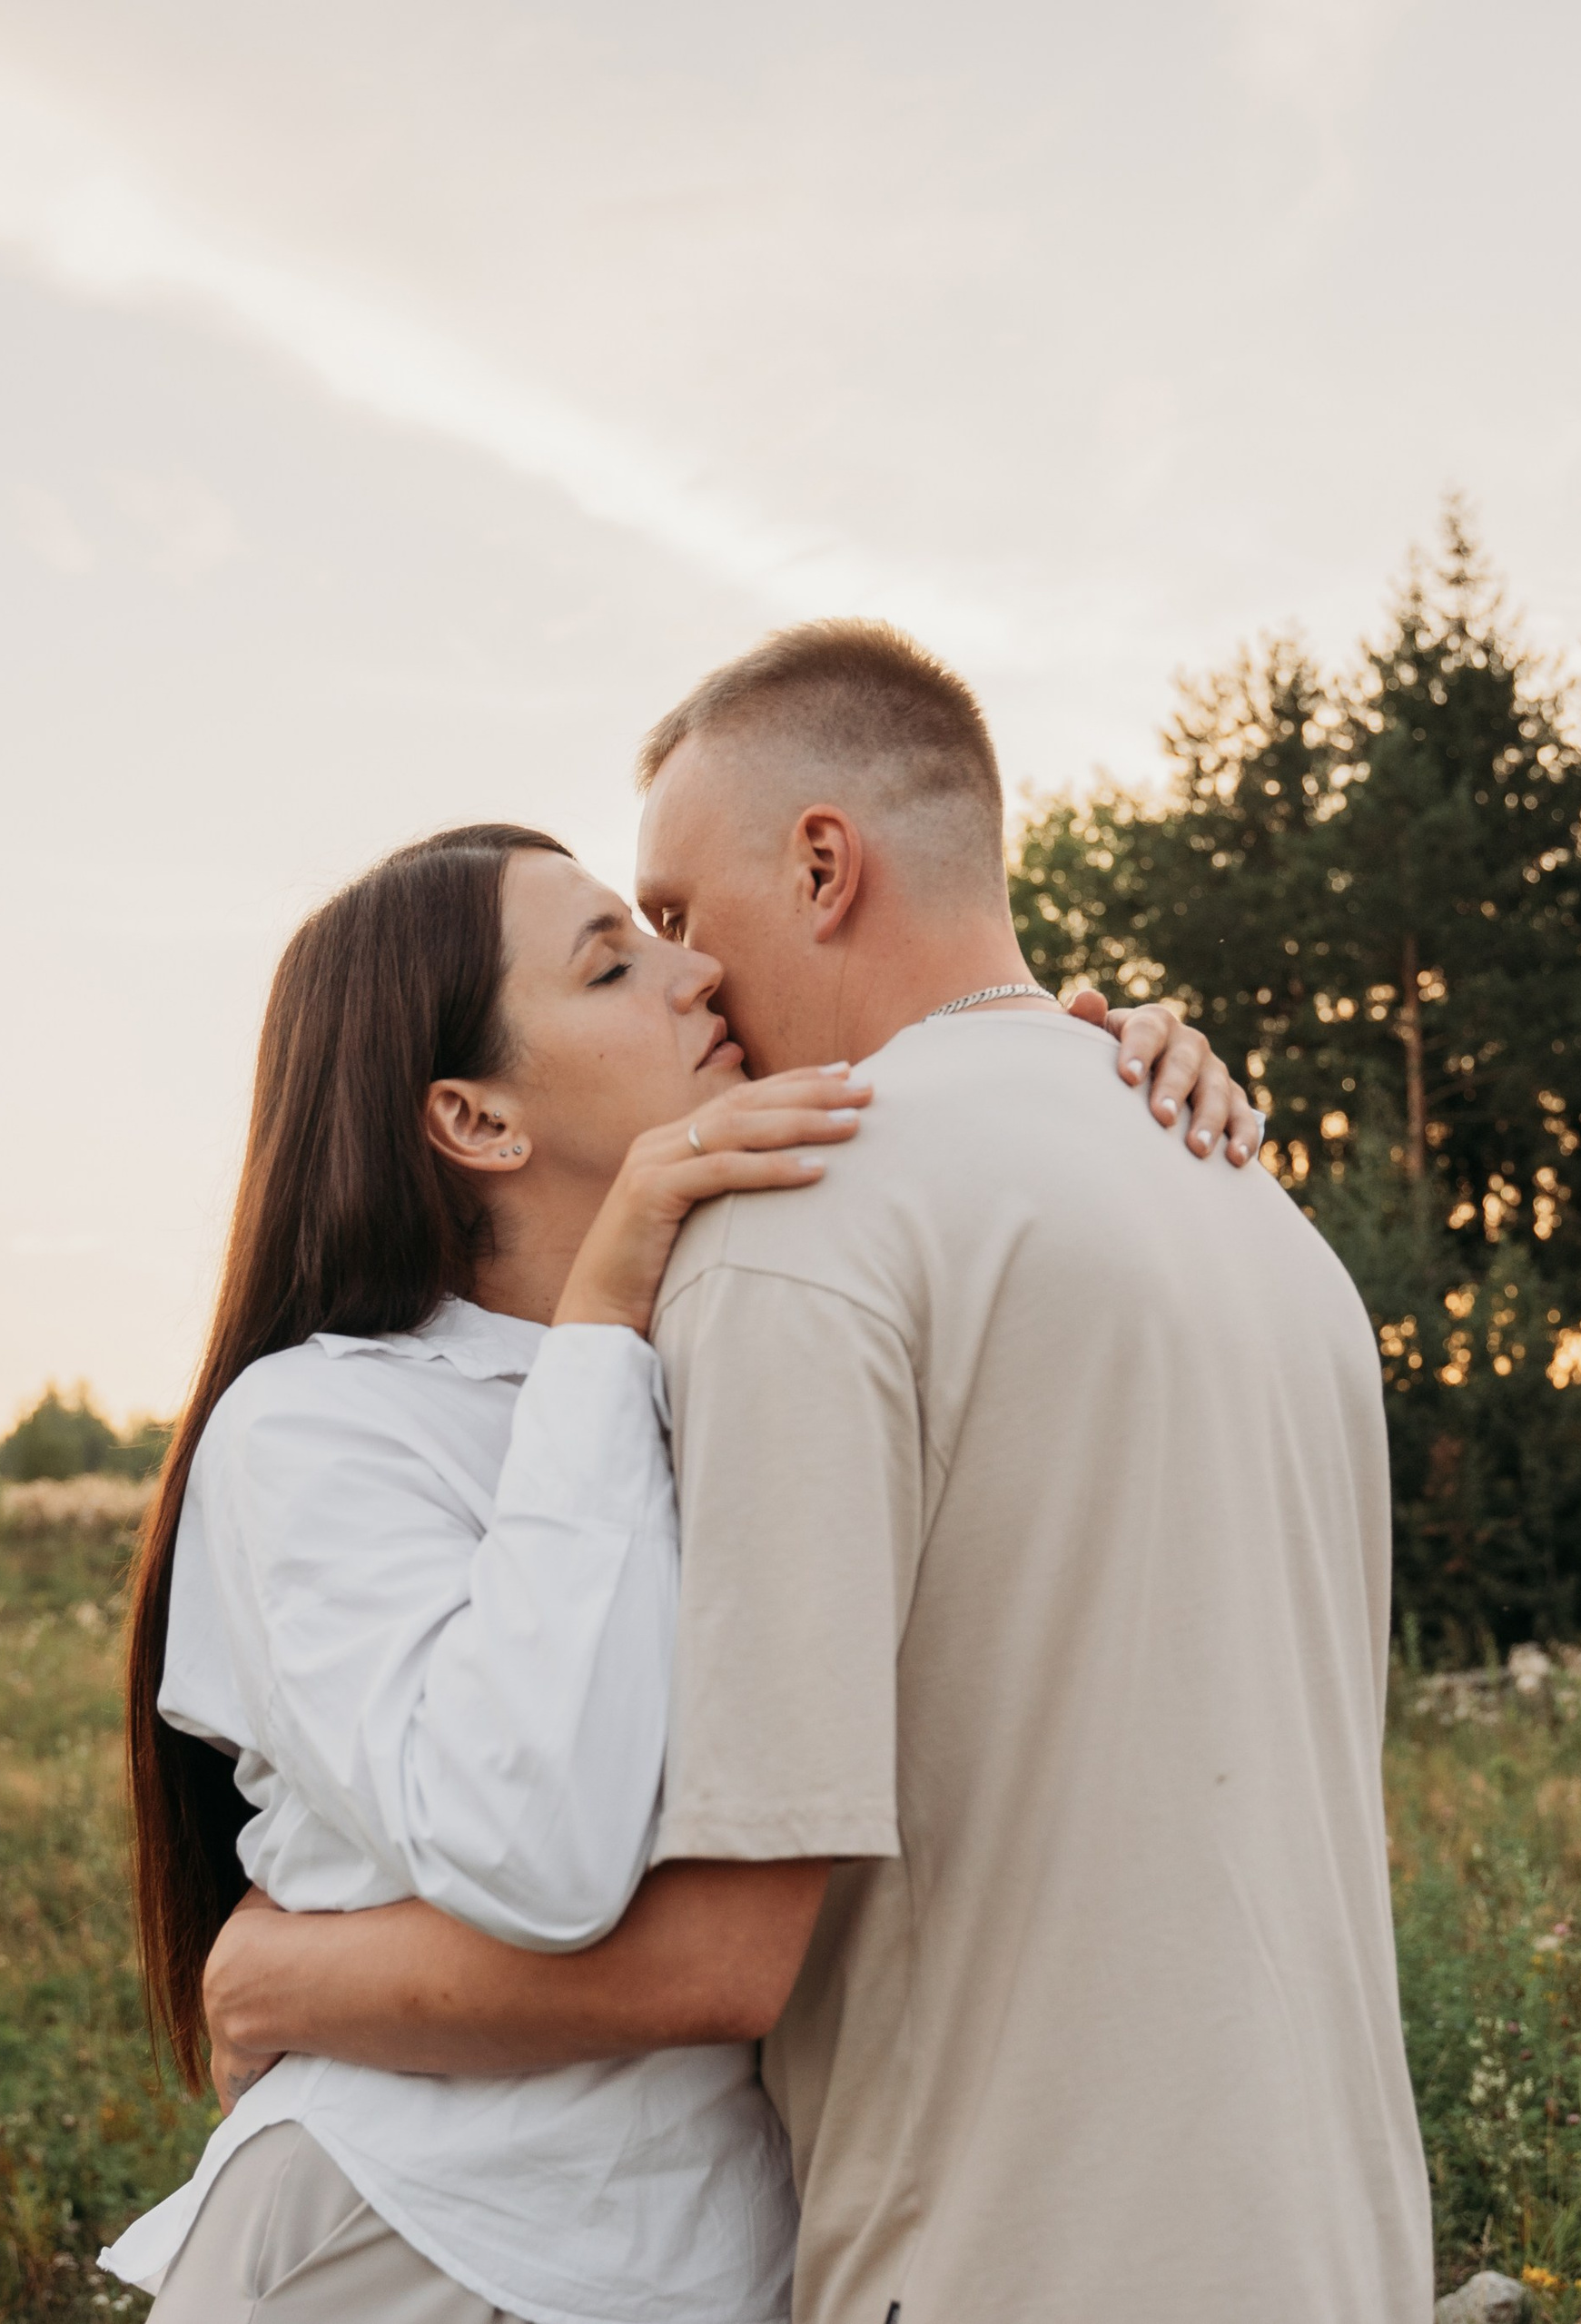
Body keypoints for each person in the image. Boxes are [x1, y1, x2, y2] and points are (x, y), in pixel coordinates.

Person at [203, 621, 1435, 2323]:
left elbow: (722, 1954)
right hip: (1332, 2243)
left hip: (1010, 2261)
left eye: (678, 921)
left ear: (825, 864)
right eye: (631, 956)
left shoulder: (807, 1246)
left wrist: (280, 1973)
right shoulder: (1251, 1206)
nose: (692, 977)